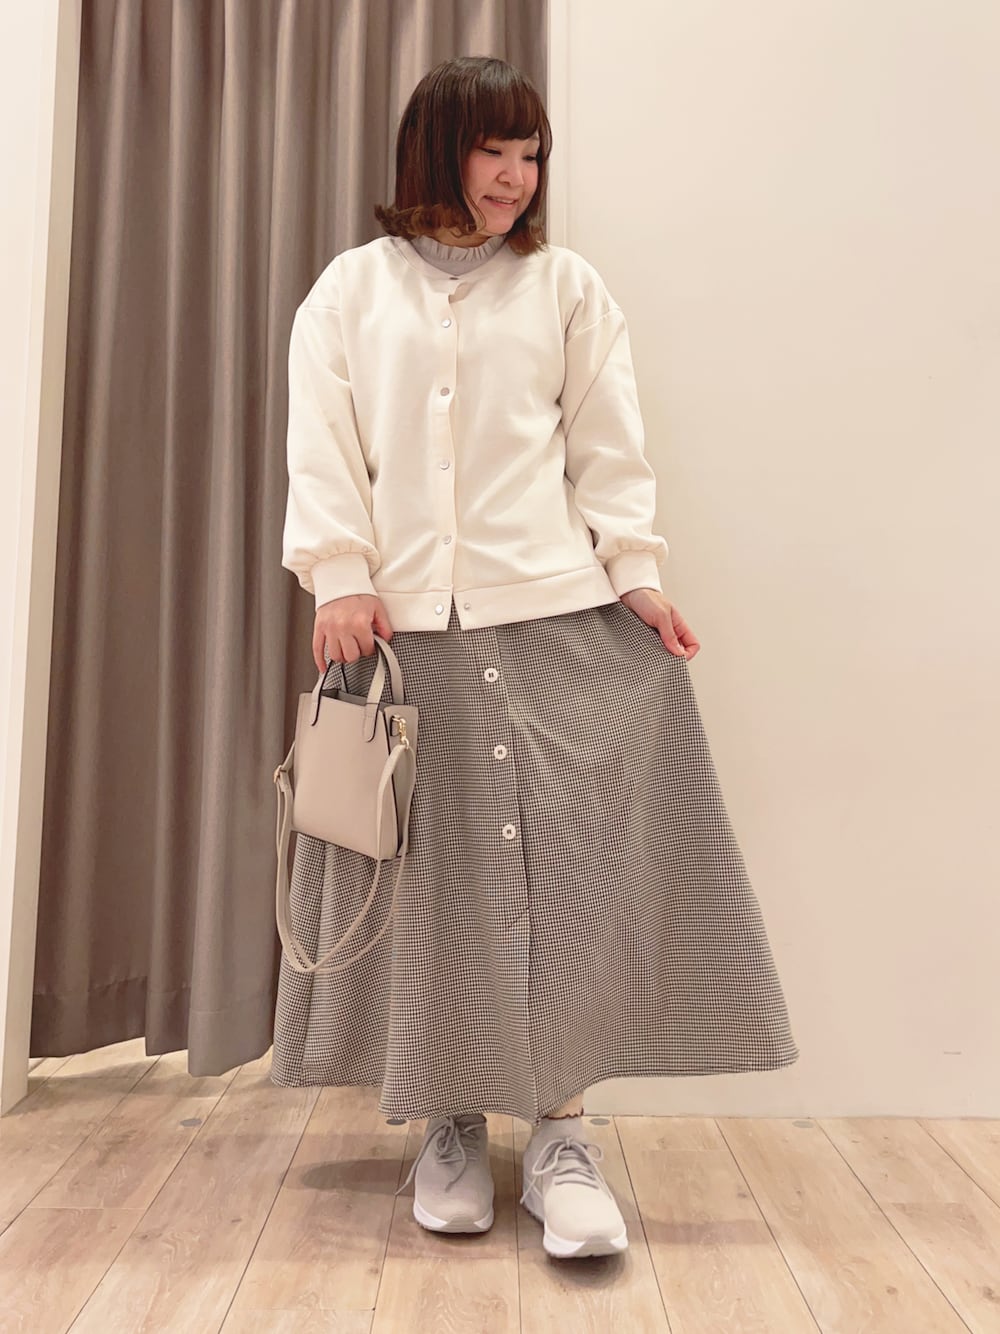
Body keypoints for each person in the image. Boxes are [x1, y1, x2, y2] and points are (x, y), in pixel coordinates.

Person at [272, 55, 799, 1261]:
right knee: (435, 892)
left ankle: (561, 1135)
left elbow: (609, 446)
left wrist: (638, 572)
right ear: (435, 147)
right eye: (492, 150)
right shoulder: (350, 292)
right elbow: (322, 445)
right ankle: (451, 1126)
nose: (514, 177)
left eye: (531, 155)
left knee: (570, 886)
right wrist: (339, 572)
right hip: (404, 636)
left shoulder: (565, 287)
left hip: (560, 624)